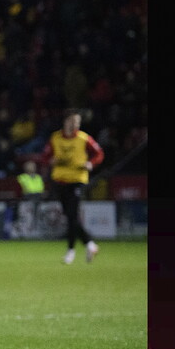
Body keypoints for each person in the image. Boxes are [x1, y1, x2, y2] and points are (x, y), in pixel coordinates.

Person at [42, 109, 104, 264]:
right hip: (60, 180)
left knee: (71, 215)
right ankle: (90, 245)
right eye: (72, 121)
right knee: (70, 216)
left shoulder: (84, 138)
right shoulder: (55, 138)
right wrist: (50, 162)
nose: (75, 124)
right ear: (65, 121)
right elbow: (45, 156)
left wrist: (91, 163)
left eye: (77, 121)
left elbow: (99, 154)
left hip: (77, 179)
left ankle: (70, 251)